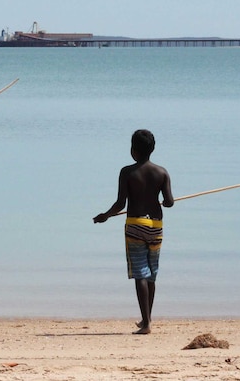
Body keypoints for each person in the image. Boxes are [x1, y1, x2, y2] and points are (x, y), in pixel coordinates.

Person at [93, 129, 173, 335]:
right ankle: (147, 318)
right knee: (152, 274)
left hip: (136, 224)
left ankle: (146, 323)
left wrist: (105, 215)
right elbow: (170, 202)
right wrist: (165, 202)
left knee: (140, 274)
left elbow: (121, 203)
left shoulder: (127, 172)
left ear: (133, 151)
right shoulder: (162, 172)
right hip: (156, 226)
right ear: (152, 149)